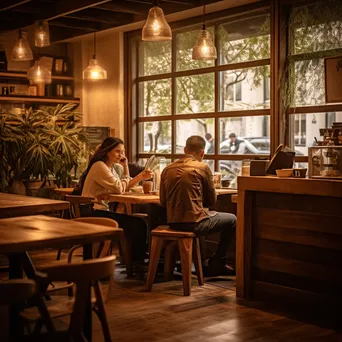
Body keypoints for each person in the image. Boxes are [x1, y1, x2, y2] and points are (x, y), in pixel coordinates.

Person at [159, 135, 236, 276]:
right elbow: (212, 201)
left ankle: (201, 264)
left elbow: (163, 202)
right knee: (232, 219)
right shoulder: (203, 167)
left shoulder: (167, 169)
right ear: (202, 153)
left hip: (172, 222)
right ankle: (218, 262)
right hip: (194, 223)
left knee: (201, 216)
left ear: (184, 149)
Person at [79, 137, 153, 262]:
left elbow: (123, 186)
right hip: (91, 211)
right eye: (118, 151)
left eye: (122, 152)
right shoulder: (99, 166)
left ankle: (134, 260)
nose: (121, 155)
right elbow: (120, 188)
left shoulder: (111, 167)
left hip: (100, 210)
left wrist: (139, 177)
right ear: (108, 151)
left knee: (138, 222)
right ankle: (136, 262)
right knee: (137, 224)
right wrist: (134, 176)